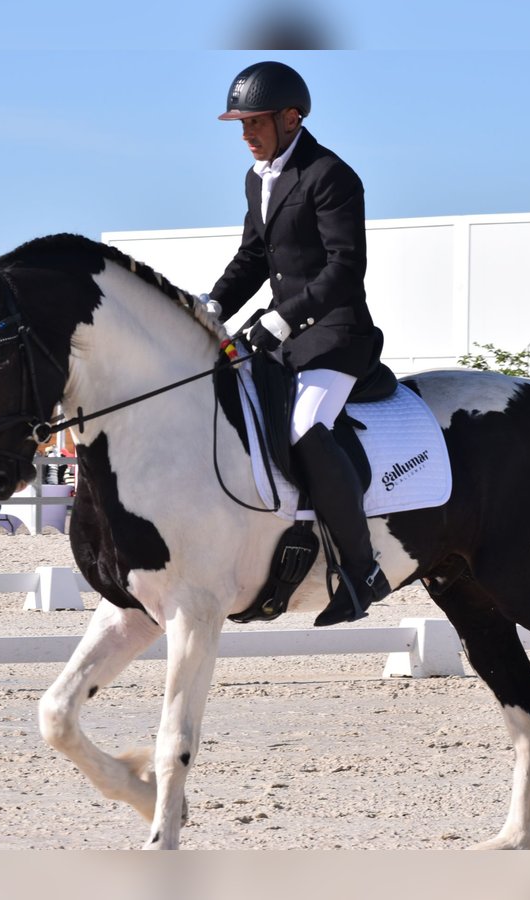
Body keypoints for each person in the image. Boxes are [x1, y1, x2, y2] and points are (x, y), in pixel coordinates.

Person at [204, 60, 390, 626]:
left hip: (336, 335)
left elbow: (344, 267)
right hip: (283, 336)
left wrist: (284, 319)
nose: (245, 134)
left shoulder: (331, 175)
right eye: (240, 124)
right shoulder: (258, 178)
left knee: (306, 427)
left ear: (291, 118)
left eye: (255, 122)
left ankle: (363, 570)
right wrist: (212, 306)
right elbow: (254, 256)